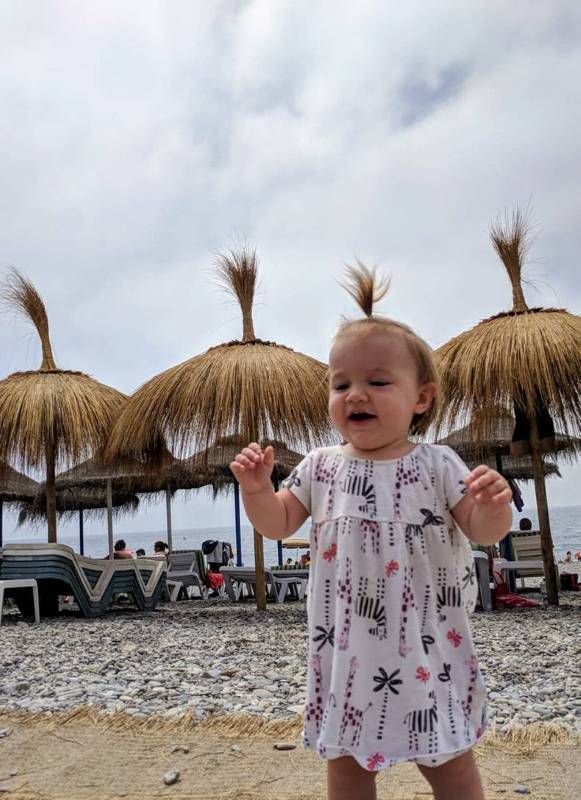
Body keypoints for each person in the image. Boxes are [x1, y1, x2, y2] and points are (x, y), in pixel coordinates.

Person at [230, 266, 512, 800]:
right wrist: (257, 490)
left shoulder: (437, 464)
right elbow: (277, 523)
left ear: (421, 398)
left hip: (429, 648)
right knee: (347, 768)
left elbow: (481, 530)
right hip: (347, 654)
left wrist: (491, 507)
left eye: (378, 382)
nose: (356, 394)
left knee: (451, 764)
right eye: (341, 384)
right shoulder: (320, 466)